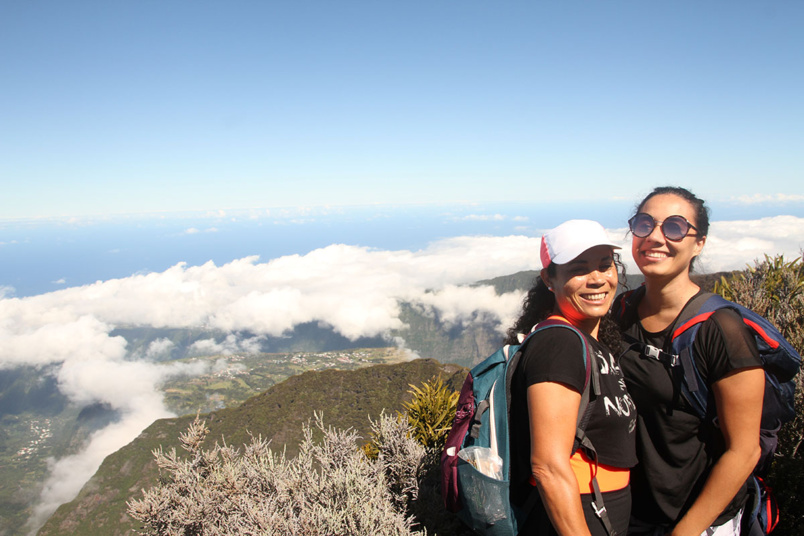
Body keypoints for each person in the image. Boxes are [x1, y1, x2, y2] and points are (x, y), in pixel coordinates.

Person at [615, 186, 764, 536]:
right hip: (629, 516)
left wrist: (685, 532)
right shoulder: (621, 312)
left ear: (699, 243)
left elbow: (744, 450)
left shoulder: (721, 330)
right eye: (644, 224)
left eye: (675, 227)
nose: (655, 237)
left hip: (701, 523)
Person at [507, 219, 637, 536]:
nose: (597, 279)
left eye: (605, 265)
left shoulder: (587, 340)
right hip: (576, 515)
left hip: (596, 509)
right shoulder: (559, 345)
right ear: (549, 279)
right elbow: (549, 466)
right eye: (579, 269)